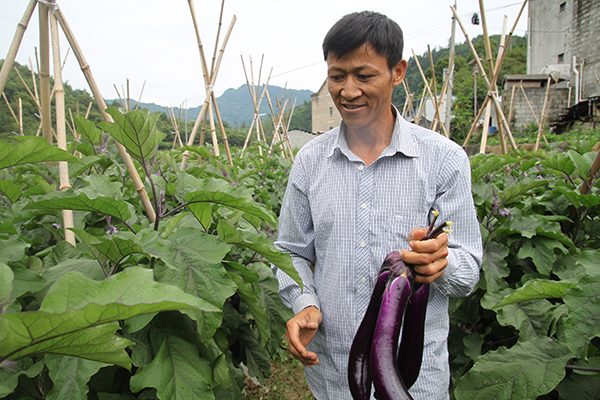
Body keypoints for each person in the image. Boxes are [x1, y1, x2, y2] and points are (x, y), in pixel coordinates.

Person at [272, 11, 482, 400]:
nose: (348, 91)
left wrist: (441, 261)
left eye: (364, 76)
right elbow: (290, 251)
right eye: (337, 76)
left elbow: (468, 268)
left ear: (398, 72)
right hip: (334, 368)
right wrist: (304, 301)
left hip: (414, 375)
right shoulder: (310, 161)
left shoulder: (444, 159)